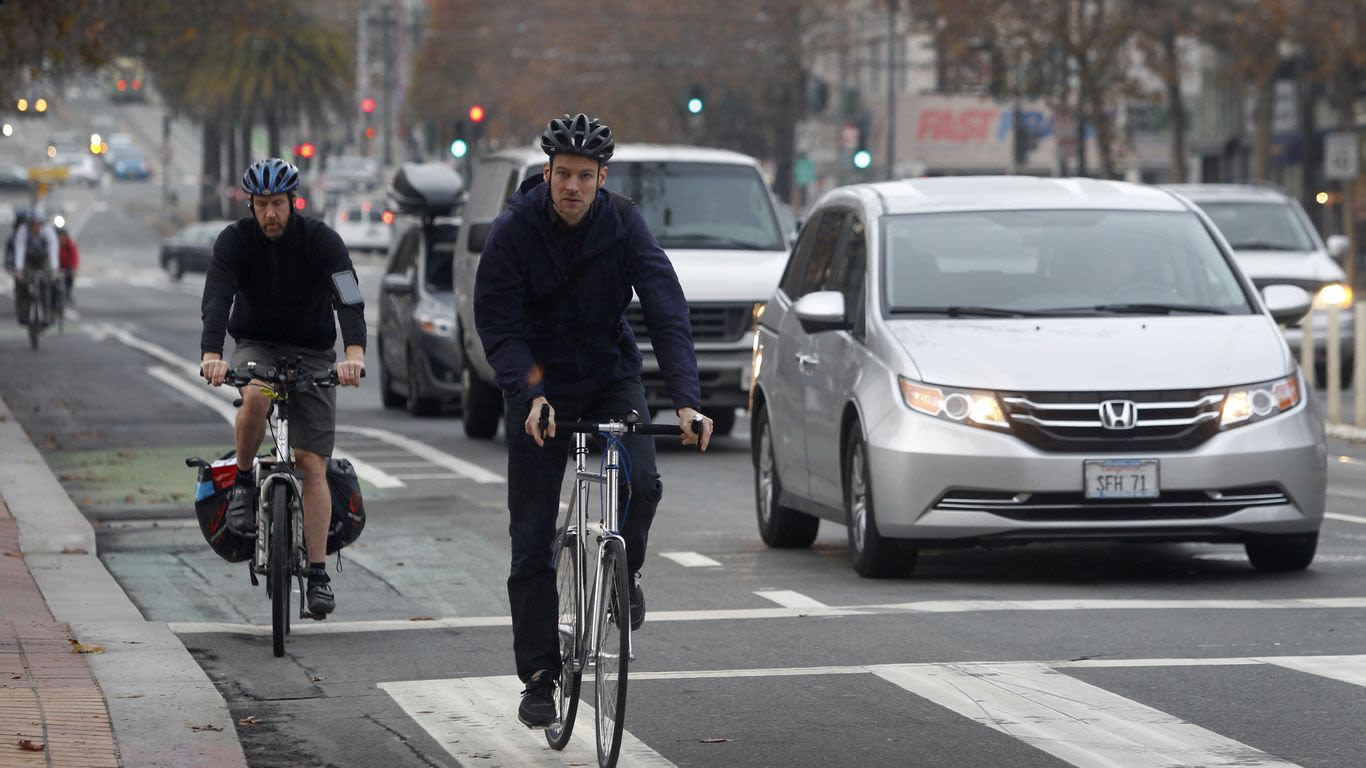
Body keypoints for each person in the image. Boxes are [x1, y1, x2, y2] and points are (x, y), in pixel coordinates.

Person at [474, 113, 714, 728]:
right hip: (537, 389)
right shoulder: (514, 229)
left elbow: (666, 310)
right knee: (530, 539)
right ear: (547, 173)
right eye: (562, 175)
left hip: (610, 376)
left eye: (585, 176)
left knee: (646, 480)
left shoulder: (624, 224)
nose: (572, 187)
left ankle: (624, 566)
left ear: (602, 178)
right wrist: (529, 393)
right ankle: (539, 675)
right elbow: (496, 322)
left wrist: (686, 399)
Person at [199, 158, 366, 619]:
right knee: (255, 394)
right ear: (250, 204)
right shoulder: (235, 241)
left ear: (294, 202)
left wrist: (355, 355)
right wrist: (212, 354)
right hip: (256, 345)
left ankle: (316, 573)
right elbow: (217, 297)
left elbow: (348, 298)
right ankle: (243, 483)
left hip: (313, 352)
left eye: (277, 205)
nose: (269, 215)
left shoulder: (322, 241)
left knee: (313, 463)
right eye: (261, 205)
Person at [12, 208, 59, 326]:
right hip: (29, 259)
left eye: (37, 224)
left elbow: (53, 249)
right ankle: (22, 312)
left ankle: (47, 313)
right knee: (21, 282)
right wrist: (19, 269)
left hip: (44, 258)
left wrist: (54, 268)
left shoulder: (48, 231)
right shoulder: (23, 232)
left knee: (46, 282)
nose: (35, 227)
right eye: (32, 224)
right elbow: (20, 249)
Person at [56, 223, 79, 305]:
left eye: (63, 236)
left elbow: (74, 257)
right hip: (56, 266)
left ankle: (68, 293)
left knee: (70, 278)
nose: (61, 238)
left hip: (67, 267)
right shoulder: (54, 245)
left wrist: (73, 268)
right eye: (59, 236)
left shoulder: (70, 245)